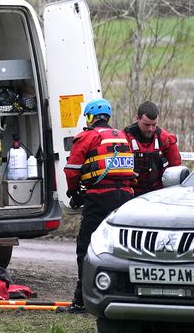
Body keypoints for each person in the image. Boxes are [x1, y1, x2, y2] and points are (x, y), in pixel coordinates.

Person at [61, 98, 136, 314]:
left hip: (99, 198)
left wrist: (74, 192)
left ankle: (81, 301)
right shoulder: (122, 137)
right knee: (122, 246)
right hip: (126, 197)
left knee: (86, 247)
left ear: (90, 117)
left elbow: (72, 170)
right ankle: (126, 295)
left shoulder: (88, 136)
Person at [123, 101, 182, 196]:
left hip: (159, 193)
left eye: (154, 125)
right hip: (132, 193)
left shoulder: (165, 139)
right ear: (137, 118)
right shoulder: (124, 138)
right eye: (146, 125)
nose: (151, 129)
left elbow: (176, 169)